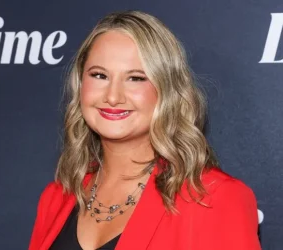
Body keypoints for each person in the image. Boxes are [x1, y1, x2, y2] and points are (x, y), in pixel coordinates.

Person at [29, 10, 261, 250]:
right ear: (80, 84)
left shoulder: (215, 198)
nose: (112, 96)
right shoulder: (57, 196)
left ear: (167, 90)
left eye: (136, 78)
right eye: (99, 75)